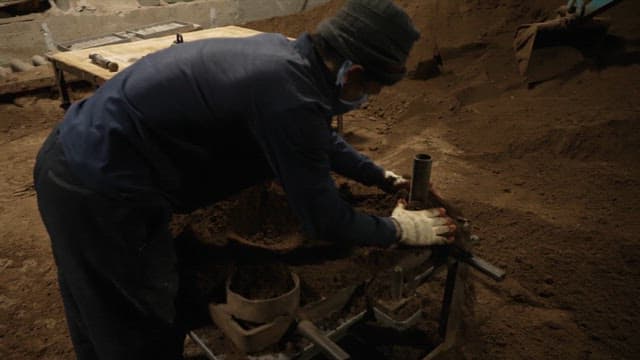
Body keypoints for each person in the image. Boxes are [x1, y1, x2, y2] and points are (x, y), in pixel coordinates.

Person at [34, 0, 456, 358]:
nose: (371, 98)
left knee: (92, 295)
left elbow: (318, 140)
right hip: (99, 188)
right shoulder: (288, 97)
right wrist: (399, 229)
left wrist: (380, 176)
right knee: (135, 320)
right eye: (376, 88)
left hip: (73, 155)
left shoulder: (287, 58)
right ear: (353, 73)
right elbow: (323, 220)